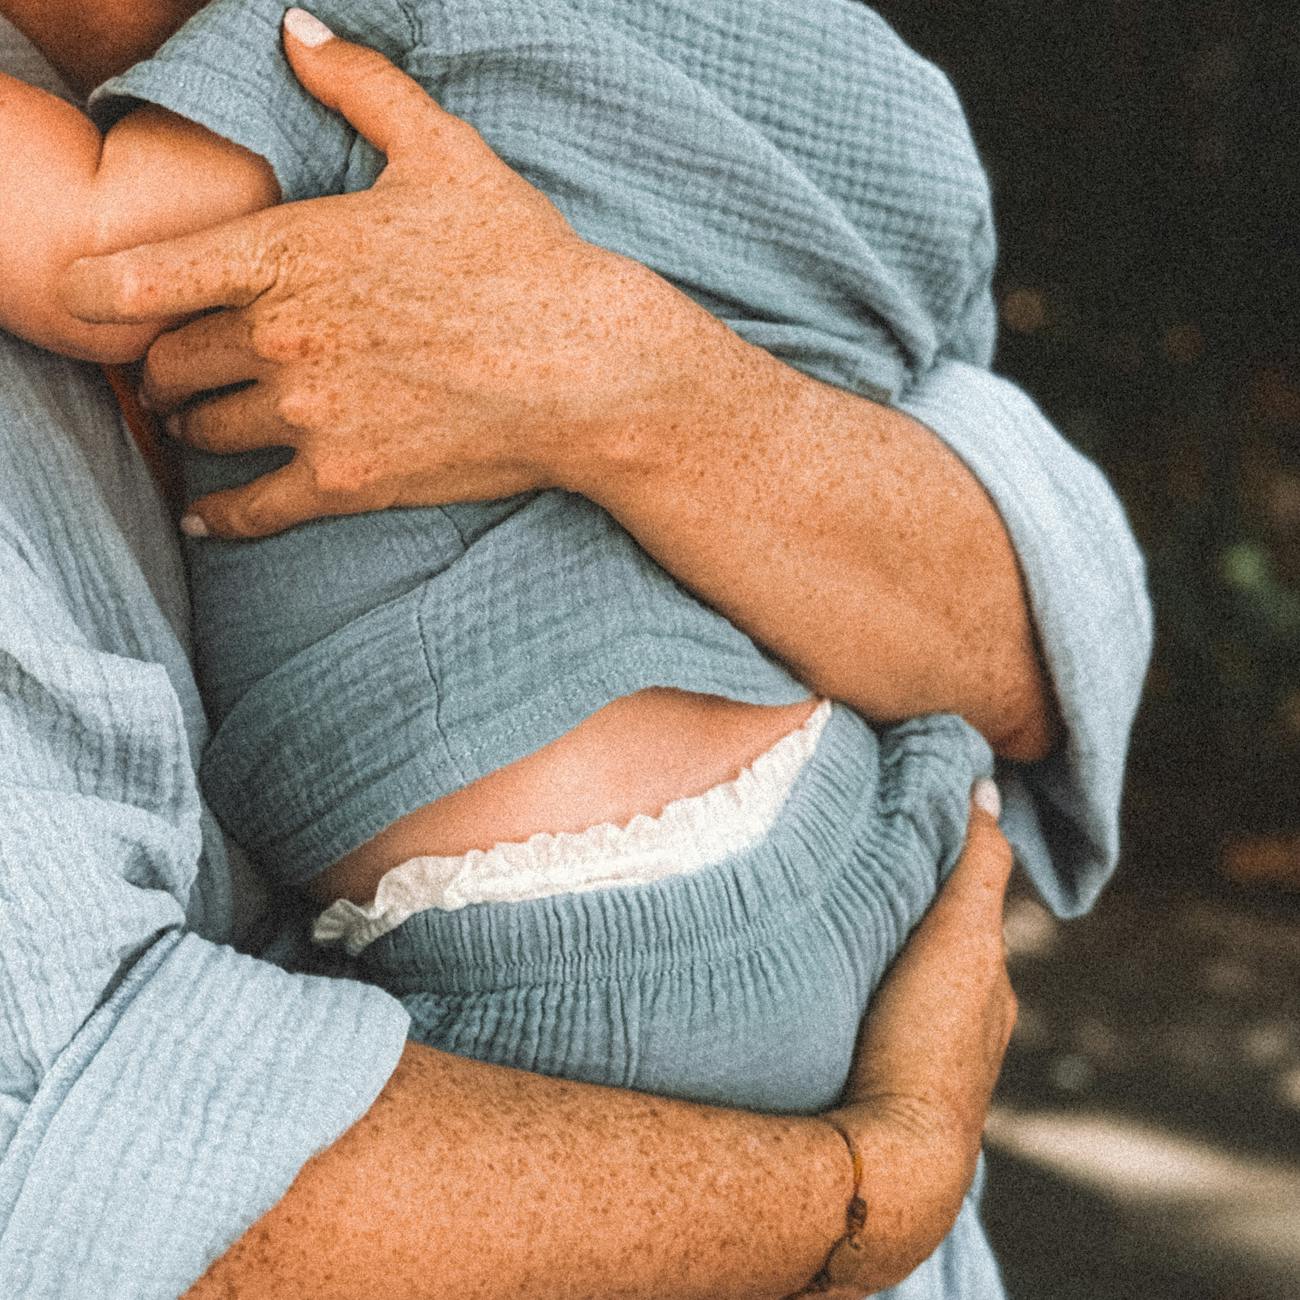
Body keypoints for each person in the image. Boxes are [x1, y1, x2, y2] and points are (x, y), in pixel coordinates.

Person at [0, 3, 1152, 1297]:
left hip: (578, 979)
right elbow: (89, 1168)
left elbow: (1030, 624)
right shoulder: (835, 97)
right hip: (850, 876)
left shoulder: (360, 38)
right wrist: (872, 1191)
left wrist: (617, 374)